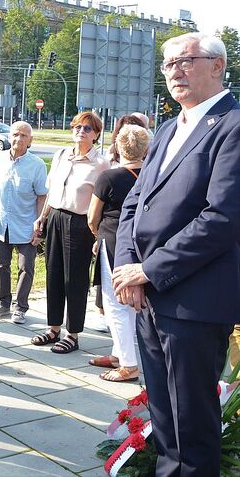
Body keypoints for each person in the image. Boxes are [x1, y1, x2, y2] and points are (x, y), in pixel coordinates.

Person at [113, 32, 240, 474]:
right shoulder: (168, 129)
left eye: (185, 61)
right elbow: (134, 203)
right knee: (165, 419)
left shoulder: (232, 126)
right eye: (167, 64)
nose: (174, 72)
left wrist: (148, 270)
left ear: (217, 66)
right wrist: (127, 269)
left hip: (194, 301)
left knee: (191, 427)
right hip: (148, 296)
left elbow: (222, 218)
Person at [30, 111, 108, 354]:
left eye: (87, 128)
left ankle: (72, 333)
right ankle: (53, 328)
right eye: (77, 127)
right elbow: (52, 192)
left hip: (80, 223)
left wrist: (97, 233)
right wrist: (42, 217)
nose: (80, 131)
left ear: (96, 134)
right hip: (55, 216)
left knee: (74, 279)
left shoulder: (101, 164)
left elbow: (102, 202)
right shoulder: (61, 155)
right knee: (53, 274)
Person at [87, 125, 149, 382]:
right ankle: (117, 354)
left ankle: (128, 365)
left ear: (117, 146)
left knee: (115, 304)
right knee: (133, 302)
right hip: (144, 245)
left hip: (113, 242)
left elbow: (92, 217)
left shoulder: (108, 177)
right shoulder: (152, 174)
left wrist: (98, 236)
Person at [0, 121, 47, 324]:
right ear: (9, 136)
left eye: (23, 135)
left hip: (27, 224)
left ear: (30, 140)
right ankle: (3, 303)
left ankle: (20, 307)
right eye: (15, 134)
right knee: (1, 264)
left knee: (26, 267)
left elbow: (42, 197)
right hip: (3, 223)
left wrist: (39, 225)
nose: (18, 139)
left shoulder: (37, 165)